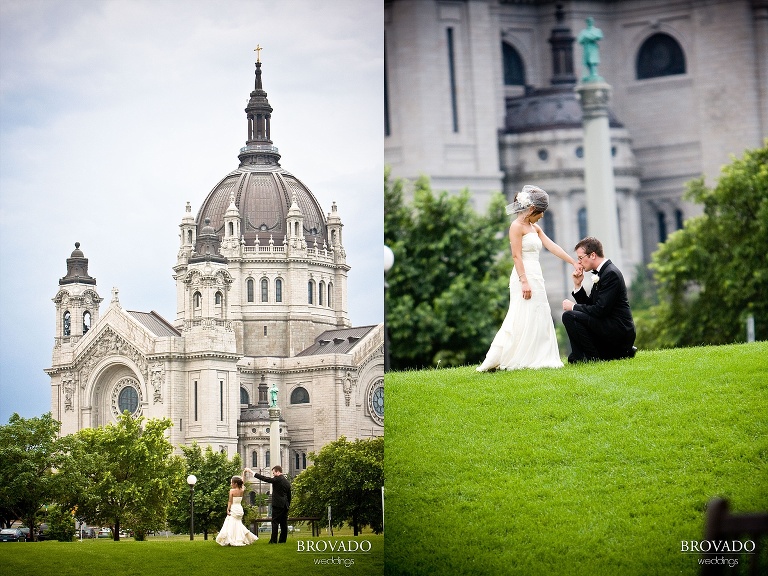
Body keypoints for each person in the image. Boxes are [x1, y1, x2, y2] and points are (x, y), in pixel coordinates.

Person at [477, 185, 578, 371]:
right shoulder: (516, 227)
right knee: (522, 314)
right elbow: (516, 256)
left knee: (539, 313)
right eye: (541, 212)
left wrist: (572, 261)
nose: (542, 216)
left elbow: (552, 246)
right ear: (532, 209)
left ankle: (538, 357)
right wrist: (524, 281)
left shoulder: (535, 228)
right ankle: (514, 357)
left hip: (536, 274)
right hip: (523, 276)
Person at [561, 236, 637, 363]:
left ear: (592, 255)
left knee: (569, 316)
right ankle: (584, 356)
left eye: (580, 258)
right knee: (573, 317)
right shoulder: (602, 273)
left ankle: (590, 358)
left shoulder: (610, 274)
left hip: (618, 332)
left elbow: (600, 310)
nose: (579, 263)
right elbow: (591, 305)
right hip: (607, 327)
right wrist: (578, 286)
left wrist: (573, 307)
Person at [244, 465, 291, 543]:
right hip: (285, 505)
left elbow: (265, 478)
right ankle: (282, 540)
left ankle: (273, 540)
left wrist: (251, 472)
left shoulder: (277, 479)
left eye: (273, 473)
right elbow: (289, 495)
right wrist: (288, 504)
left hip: (278, 504)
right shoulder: (287, 482)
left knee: (275, 522)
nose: (273, 475)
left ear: (278, 472)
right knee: (284, 523)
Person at [215, 475, 258, 546]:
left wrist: (228, 509)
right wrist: (244, 473)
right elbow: (243, 483)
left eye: (232, 483)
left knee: (230, 524)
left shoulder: (232, 491)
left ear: (235, 484)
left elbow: (230, 501)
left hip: (234, 508)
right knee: (237, 524)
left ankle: (232, 539)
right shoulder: (242, 490)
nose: (231, 484)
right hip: (239, 508)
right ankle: (238, 538)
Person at [577, 16, 603, 81]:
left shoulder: (596, 30)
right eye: (588, 21)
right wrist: (588, 37)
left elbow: (599, 36)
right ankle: (588, 75)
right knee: (587, 62)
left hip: (593, 47)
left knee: (593, 61)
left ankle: (594, 73)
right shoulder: (583, 31)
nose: (590, 22)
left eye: (591, 21)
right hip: (586, 48)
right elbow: (579, 40)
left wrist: (588, 37)